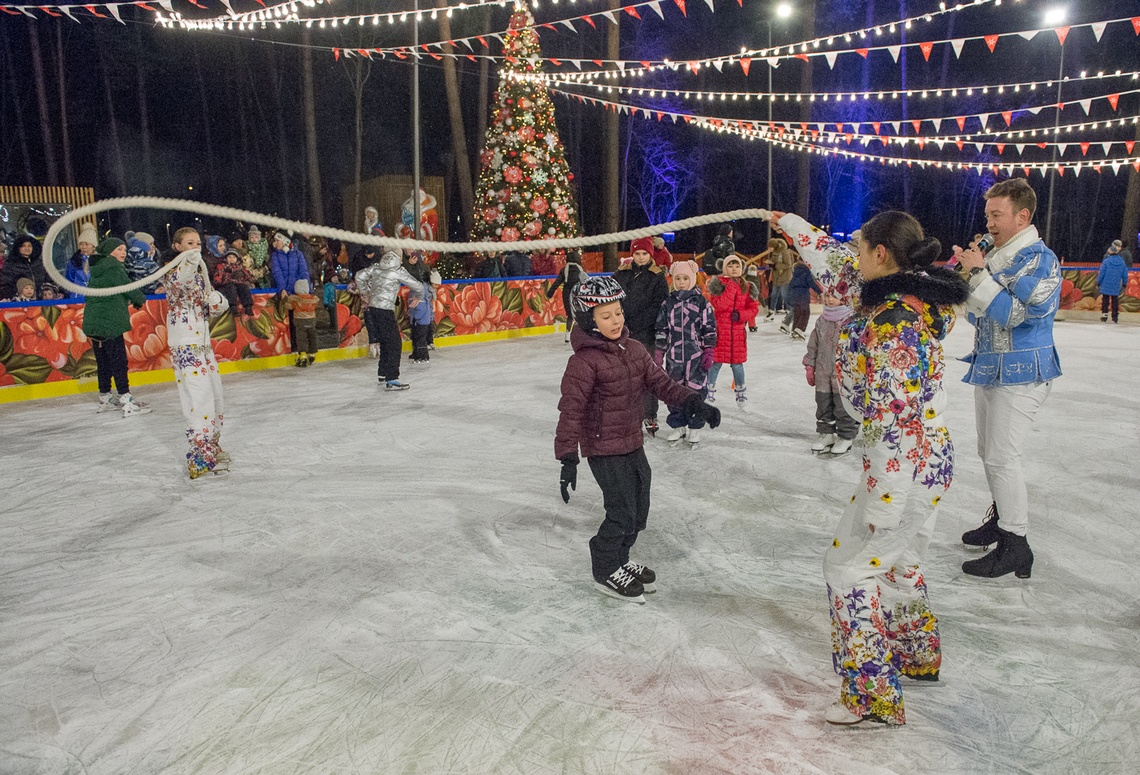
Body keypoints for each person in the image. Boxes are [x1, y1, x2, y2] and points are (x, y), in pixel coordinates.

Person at [773, 208, 969, 727]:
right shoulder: (917, 294)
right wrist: (791, 224)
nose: (854, 257)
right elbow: (838, 267)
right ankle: (917, 653)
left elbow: (894, 415)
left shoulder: (891, 323)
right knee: (900, 559)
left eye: (861, 247)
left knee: (849, 568)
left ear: (881, 254)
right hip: (930, 456)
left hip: (903, 464)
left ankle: (872, 696)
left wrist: (886, 492)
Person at [555, 276, 720, 603]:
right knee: (621, 511)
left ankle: (621, 558)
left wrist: (693, 401)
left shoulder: (634, 350)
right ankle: (605, 567)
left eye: (618, 313)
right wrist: (568, 458)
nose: (615, 321)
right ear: (590, 321)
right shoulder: (583, 362)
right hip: (603, 448)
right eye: (606, 316)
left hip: (631, 440)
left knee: (639, 508)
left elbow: (662, 384)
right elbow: (570, 411)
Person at [955, 178, 1062, 579]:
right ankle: (1002, 521)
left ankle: (1016, 543)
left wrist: (979, 275)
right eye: (988, 215)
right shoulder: (999, 257)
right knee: (990, 454)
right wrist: (968, 277)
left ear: (1023, 216)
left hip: (1022, 373)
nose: (989, 223)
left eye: (996, 215)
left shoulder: (1039, 259)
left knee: (1003, 457)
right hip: (992, 366)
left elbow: (1017, 316)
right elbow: (977, 312)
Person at [165, 228, 229, 479]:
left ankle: (212, 445)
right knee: (198, 397)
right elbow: (182, 279)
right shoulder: (173, 272)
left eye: (198, 243)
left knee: (215, 394)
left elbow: (210, 308)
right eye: (189, 243)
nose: (195, 247)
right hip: (185, 344)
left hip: (203, 344)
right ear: (177, 246)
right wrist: (190, 263)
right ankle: (199, 456)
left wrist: (217, 301)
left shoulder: (202, 273)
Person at [81, 237, 151, 417]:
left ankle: (105, 397)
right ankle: (126, 400)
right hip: (110, 323)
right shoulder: (113, 268)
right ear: (109, 251)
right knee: (118, 362)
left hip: (94, 323)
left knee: (103, 362)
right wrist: (139, 300)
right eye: (119, 249)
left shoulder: (97, 269)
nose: (123, 253)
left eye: (124, 250)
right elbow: (130, 288)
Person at [655, 260, 717, 446]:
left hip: (696, 357)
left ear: (692, 279)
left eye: (685, 278)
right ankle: (678, 424)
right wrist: (659, 351)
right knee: (674, 391)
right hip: (674, 357)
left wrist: (708, 350)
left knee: (696, 390)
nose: (681, 282)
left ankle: (695, 426)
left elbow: (710, 328)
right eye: (678, 279)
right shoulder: (668, 303)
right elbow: (661, 328)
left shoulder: (701, 303)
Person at [613, 237, 670, 434]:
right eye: (637, 254)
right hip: (622, 333)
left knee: (648, 374)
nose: (640, 257)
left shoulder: (657, 276)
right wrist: (620, 322)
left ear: (650, 254)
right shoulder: (622, 273)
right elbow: (612, 297)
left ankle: (650, 413)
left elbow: (659, 306)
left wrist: (637, 324)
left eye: (644, 254)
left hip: (647, 334)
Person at [354, 249, 424, 390]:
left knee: (386, 340)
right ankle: (392, 378)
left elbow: (359, 275)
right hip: (385, 309)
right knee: (394, 343)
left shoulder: (376, 267)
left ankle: (383, 373)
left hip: (373, 308)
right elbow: (418, 286)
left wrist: (365, 293)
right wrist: (419, 297)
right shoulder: (398, 271)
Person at [803, 293, 857, 456]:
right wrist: (810, 366)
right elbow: (813, 344)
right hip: (823, 370)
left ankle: (845, 436)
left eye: (834, 296)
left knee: (842, 406)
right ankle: (826, 434)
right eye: (827, 296)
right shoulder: (822, 320)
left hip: (844, 372)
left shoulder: (852, 321)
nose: (829, 300)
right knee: (823, 403)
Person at [706, 254, 759, 404]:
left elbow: (753, 308)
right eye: (730, 266)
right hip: (720, 332)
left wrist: (742, 315)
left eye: (737, 266)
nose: (734, 269)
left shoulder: (747, 286)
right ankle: (709, 389)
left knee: (737, 364)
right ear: (724, 268)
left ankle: (741, 391)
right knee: (715, 363)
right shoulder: (718, 284)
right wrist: (731, 286)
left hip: (737, 333)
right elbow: (720, 305)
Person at [546, 251, 588, 343]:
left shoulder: (564, 270)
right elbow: (586, 282)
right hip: (577, 294)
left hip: (567, 294)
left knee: (570, 315)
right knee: (579, 314)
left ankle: (567, 335)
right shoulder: (580, 270)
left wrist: (550, 293)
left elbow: (556, 283)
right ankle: (580, 334)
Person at [783, 252, 823, 340]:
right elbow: (811, 282)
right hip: (802, 293)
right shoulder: (805, 270)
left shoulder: (795, 269)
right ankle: (800, 329)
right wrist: (820, 292)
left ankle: (795, 330)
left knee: (798, 312)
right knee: (805, 312)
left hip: (794, 293)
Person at [284, 279, 320, 367]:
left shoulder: (296, 299)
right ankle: (312, 353)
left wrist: (285, 301)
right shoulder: (313, 299)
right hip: (311, 320)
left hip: (300, 321)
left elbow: (289, 307)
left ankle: (303, 355)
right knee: (312, 336)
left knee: (301, 338)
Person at [214, 248, 256, 318]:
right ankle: (233, 307)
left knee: (244, 287)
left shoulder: (240, 266)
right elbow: (217, 278)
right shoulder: (222, 266)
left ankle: (248, 307)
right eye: (229, 257)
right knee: (231, 288)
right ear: (226, 258)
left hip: (239, 283)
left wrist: (248, 277)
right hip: (227, 284)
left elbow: (249, 276)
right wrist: (226, 276)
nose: (231, 259)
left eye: (234, 257)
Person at [764, 238, 794, 321]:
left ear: (774, 246)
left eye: (770, 247)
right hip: (776, 277)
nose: (769, 249)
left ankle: (790, 313)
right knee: (774, 295)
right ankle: (771, 311)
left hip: (785, 277)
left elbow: (788, 265)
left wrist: (775, 265)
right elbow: (774, 263)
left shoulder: (785, 252)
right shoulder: (774, 253)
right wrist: (770, 264)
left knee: (785, 295)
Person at [1097, 241, 1128, 324]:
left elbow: (1102, 273)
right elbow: (1125, 274)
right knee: (1115, 300)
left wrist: (1098, 282)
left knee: (1105, 300)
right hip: (1116, 283)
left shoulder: (1106, 261)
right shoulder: (1122, 262)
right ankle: (1115, 316)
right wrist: (1125, 283)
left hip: (1106, 283)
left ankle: (1104, 315)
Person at [65, 224, 98, 297]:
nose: (83, 247)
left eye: (86, 244)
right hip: (77, 298)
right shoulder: (73, 261)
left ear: (93, 246)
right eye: (81, 244)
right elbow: (68, 281)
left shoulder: (101, 260)